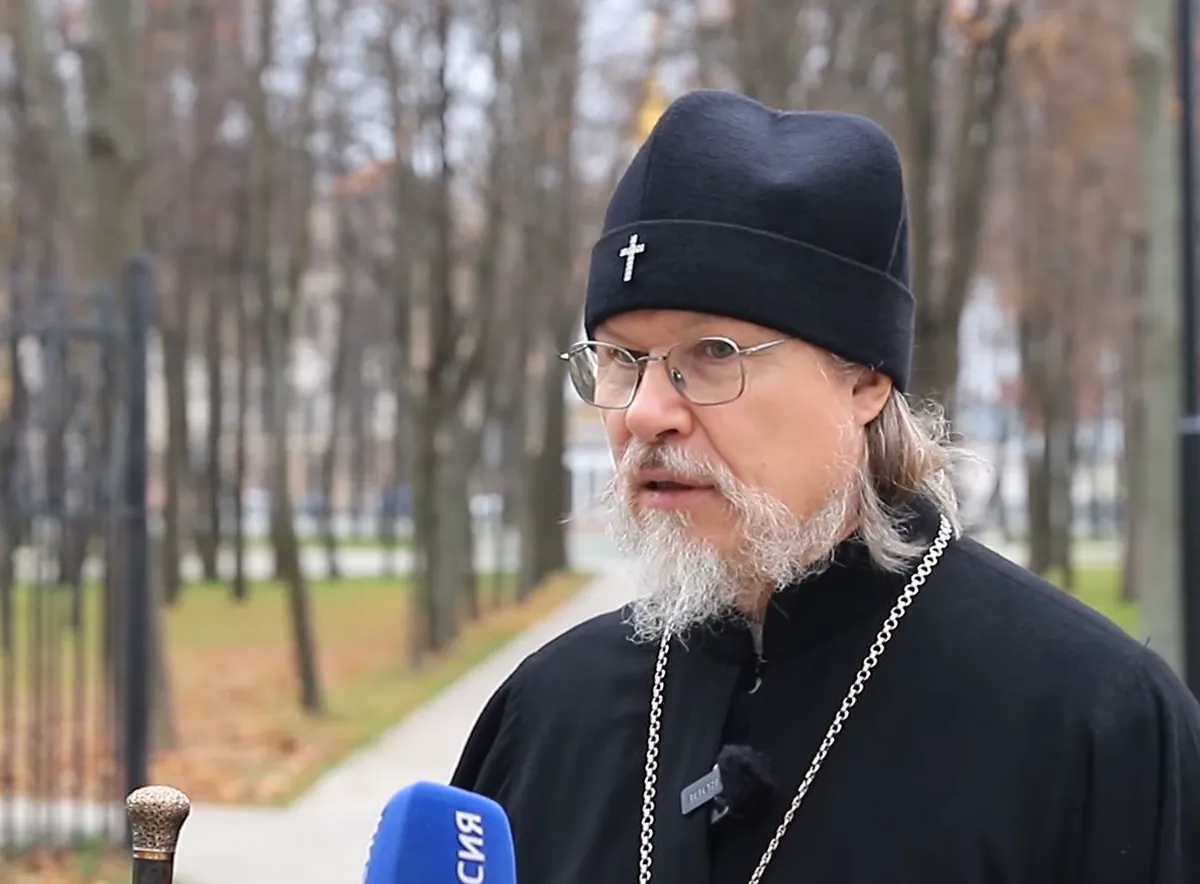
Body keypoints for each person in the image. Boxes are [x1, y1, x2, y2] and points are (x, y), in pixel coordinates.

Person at [449, 89, 1200, 884]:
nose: (643, 413)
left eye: (713, 353)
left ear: (865, 381)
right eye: (619, 359)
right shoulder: (546, 715)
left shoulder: (1093, 726)